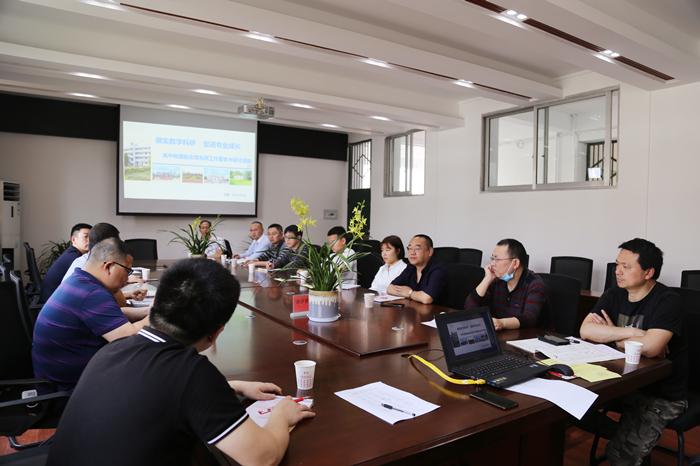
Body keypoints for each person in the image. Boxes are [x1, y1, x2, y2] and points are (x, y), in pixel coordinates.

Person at [45, 258, 314, 466]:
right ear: (216, 333)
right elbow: (262, 458)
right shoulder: (192, 374)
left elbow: (162, 393)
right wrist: (282, 414)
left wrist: (233, 387)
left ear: (154, 306)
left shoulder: (115, 350)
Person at [578, 238, 687, 466]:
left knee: (621, 456)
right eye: (617, 264)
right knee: (565, 406)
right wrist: (637, 334)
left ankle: (628, 440)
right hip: (618, 380)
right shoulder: (613, 295)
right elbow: (586, 330)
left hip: (660, 393)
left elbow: (651, 348)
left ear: (648, 272)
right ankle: (625, 435)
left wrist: (612, 335)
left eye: (626, 267)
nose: (617, 271)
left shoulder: (668, 301)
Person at [32, 238, 148, 394]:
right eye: (127, 271)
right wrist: (159, 314)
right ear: (108, 266)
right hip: (72, 390)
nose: (127, 278)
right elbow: (131, 339)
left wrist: (147, 312)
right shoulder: (93, 294)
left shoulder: (78, 281)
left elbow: (113, 315)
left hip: (54, 379)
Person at [465, 238, 553, 331]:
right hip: (510, 336)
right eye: (492, 258)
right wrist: (487, 279)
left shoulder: (535, 284)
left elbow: (530, 318)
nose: (492, 264)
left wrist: (501, 323)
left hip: (537, 339)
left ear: (515, 263)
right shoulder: (497, 280)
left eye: (497, 259)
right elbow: (469, 308)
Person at [60, 222, 146, 312]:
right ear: (108, 245)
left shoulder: (84, 264)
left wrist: (129, 294)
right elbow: (121, 303)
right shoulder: (90, 278)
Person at [388, 234, 450, 306]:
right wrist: (415, 295)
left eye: (417, 249)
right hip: (416, 310)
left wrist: (409, 293)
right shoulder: (411, 267)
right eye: (410, 248)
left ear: (430, 251)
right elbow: (390, 288)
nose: (412, 253)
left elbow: (427, 298)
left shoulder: (438, 270)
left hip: (438, 313)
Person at [39, 223, 91, 304]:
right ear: (73, 239)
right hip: (52, 302)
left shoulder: (71, 252)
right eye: (86, 237)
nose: (90, 240)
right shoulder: (75, 258)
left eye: (91, 237)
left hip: (51, 299)